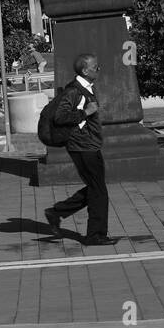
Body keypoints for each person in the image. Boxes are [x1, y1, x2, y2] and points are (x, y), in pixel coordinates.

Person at [44, 53, 117, 246]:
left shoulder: (83, 89)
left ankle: (57, 212)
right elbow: (60, 117)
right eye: (96, 67)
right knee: (99, 190)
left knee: (96, 188)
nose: (98, 70)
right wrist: (86, 112)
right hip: (82, 146)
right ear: (85, 70)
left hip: (88, 144)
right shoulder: (74, 91)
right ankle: (95, 235)